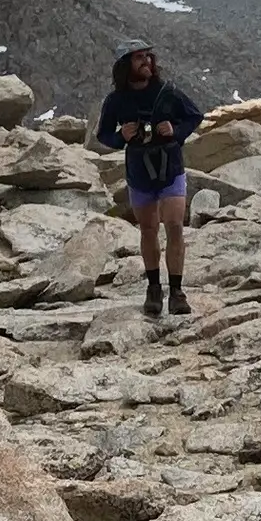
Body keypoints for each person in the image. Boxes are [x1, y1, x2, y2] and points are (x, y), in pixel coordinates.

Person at [95, 44, 205, 319]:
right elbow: (103, 134)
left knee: (175, 225)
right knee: (147, 229)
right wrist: (123, 136)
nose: (146, 61)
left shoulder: (167, 92)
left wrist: (175, 130)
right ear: (126, 64)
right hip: (139, 171)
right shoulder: (116, 100)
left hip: (170, 168)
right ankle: (154, 289)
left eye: (148, 56)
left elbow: (195, 116)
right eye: (139, 57)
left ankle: (177, 291)